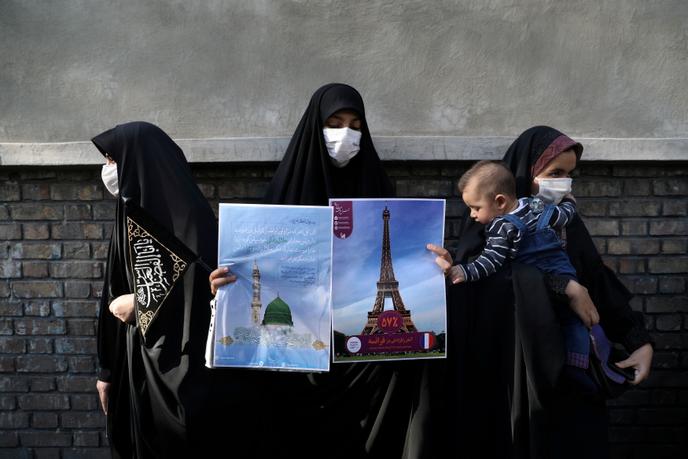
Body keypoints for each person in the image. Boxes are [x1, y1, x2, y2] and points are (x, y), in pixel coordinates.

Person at [210, 83, 434, 458]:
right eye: (334, 123)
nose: (346, 133)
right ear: (316, 127)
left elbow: (407, 265)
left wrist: (431, 267)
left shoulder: (379, 188)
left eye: (355, 124)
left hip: (363, 358)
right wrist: (225, 283)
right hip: (299, 357)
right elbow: (256, 268)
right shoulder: (284, 197)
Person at [428, 126, 653, 459]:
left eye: (569, 174)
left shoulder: (562, 219)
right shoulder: (488, 219)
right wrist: (565, 287)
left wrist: (638, 340)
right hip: (512, 373)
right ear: (524, 174)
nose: (563, 182)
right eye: (554, 173)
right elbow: (490, 281)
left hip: (572, 376)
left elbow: (597, 280)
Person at [93, 121, 218, 458]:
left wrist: (142, 301)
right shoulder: (127, 212)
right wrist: (107, 369)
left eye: (112, 161)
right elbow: (111, 290)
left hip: (182, 368)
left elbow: (207, 287)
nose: (107, 170)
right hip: (133, 363)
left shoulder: (190, 216)